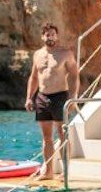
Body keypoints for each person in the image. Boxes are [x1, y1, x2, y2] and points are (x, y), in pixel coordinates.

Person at [25, 22, 80, 178]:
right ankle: (48, 171)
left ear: (57, 36)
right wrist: (29, 97)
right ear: (43, 36)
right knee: (46, 138)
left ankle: (65, 171)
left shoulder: (65, 53)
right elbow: (34, 77)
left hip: (60, 96)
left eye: (53, 34)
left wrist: (73, 96)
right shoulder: (37, 55)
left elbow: (75, 75)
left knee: (62, 135)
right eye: (47, 34)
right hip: (42, 97)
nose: (50, 37)